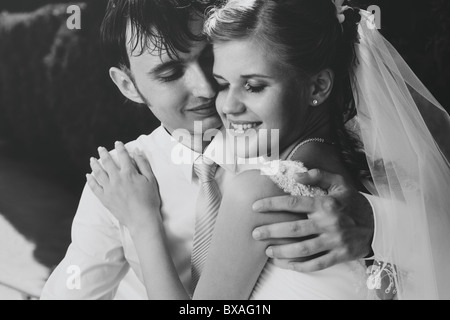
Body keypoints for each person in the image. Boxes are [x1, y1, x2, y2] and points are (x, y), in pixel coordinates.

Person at [89, 0, 450, 300]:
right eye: (223, 84)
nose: (227, 105)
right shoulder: (370, 168)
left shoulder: (260, 191)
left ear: (318, 86)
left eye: (255, 86)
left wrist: (142, 223)